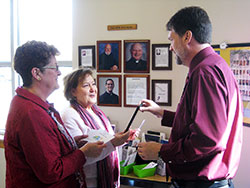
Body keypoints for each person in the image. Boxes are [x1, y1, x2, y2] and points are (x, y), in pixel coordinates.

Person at [137, 6, 242, 188]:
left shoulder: (204, 72)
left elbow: (207, 140)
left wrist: (161, 151)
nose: (171, 48)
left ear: (187, 36)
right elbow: (198, 123)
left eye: (172, 40)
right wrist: (161, 113)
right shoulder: (215, 65)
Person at [4, 41, 106, 188]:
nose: (59, 72)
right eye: (55, 68)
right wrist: (83, 153)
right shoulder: (31, 113)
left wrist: (72, 144)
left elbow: (45, 151)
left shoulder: (32, 105)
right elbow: (51, 171)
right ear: (37, 73)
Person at [62, 68, 135, 188]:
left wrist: (123, 139)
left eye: (93, 84)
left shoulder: (96, 112)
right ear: (73, 91)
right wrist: (114, 142)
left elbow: (109, 144)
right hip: (89, 183)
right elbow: (79, 157)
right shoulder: (69, 115)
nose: (93, 89)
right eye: (86, 85)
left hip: (108, 179)